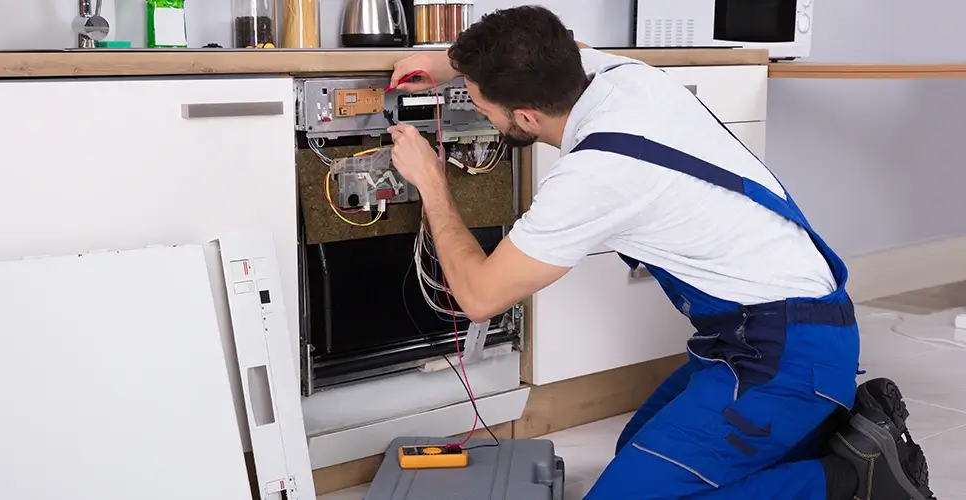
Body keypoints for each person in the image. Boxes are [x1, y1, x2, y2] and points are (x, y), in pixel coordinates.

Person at [386, 5, 935, 500]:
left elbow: (479, 296)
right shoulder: (621, 76)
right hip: (767, 333)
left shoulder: (598, 172)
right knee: (635, 450)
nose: (477, 112)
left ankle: (855, 479)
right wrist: (448, 63)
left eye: (481, 106)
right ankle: (822, 434)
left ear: (526, 117)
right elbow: (560, 47)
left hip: (785, 354)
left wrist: (432, 183)